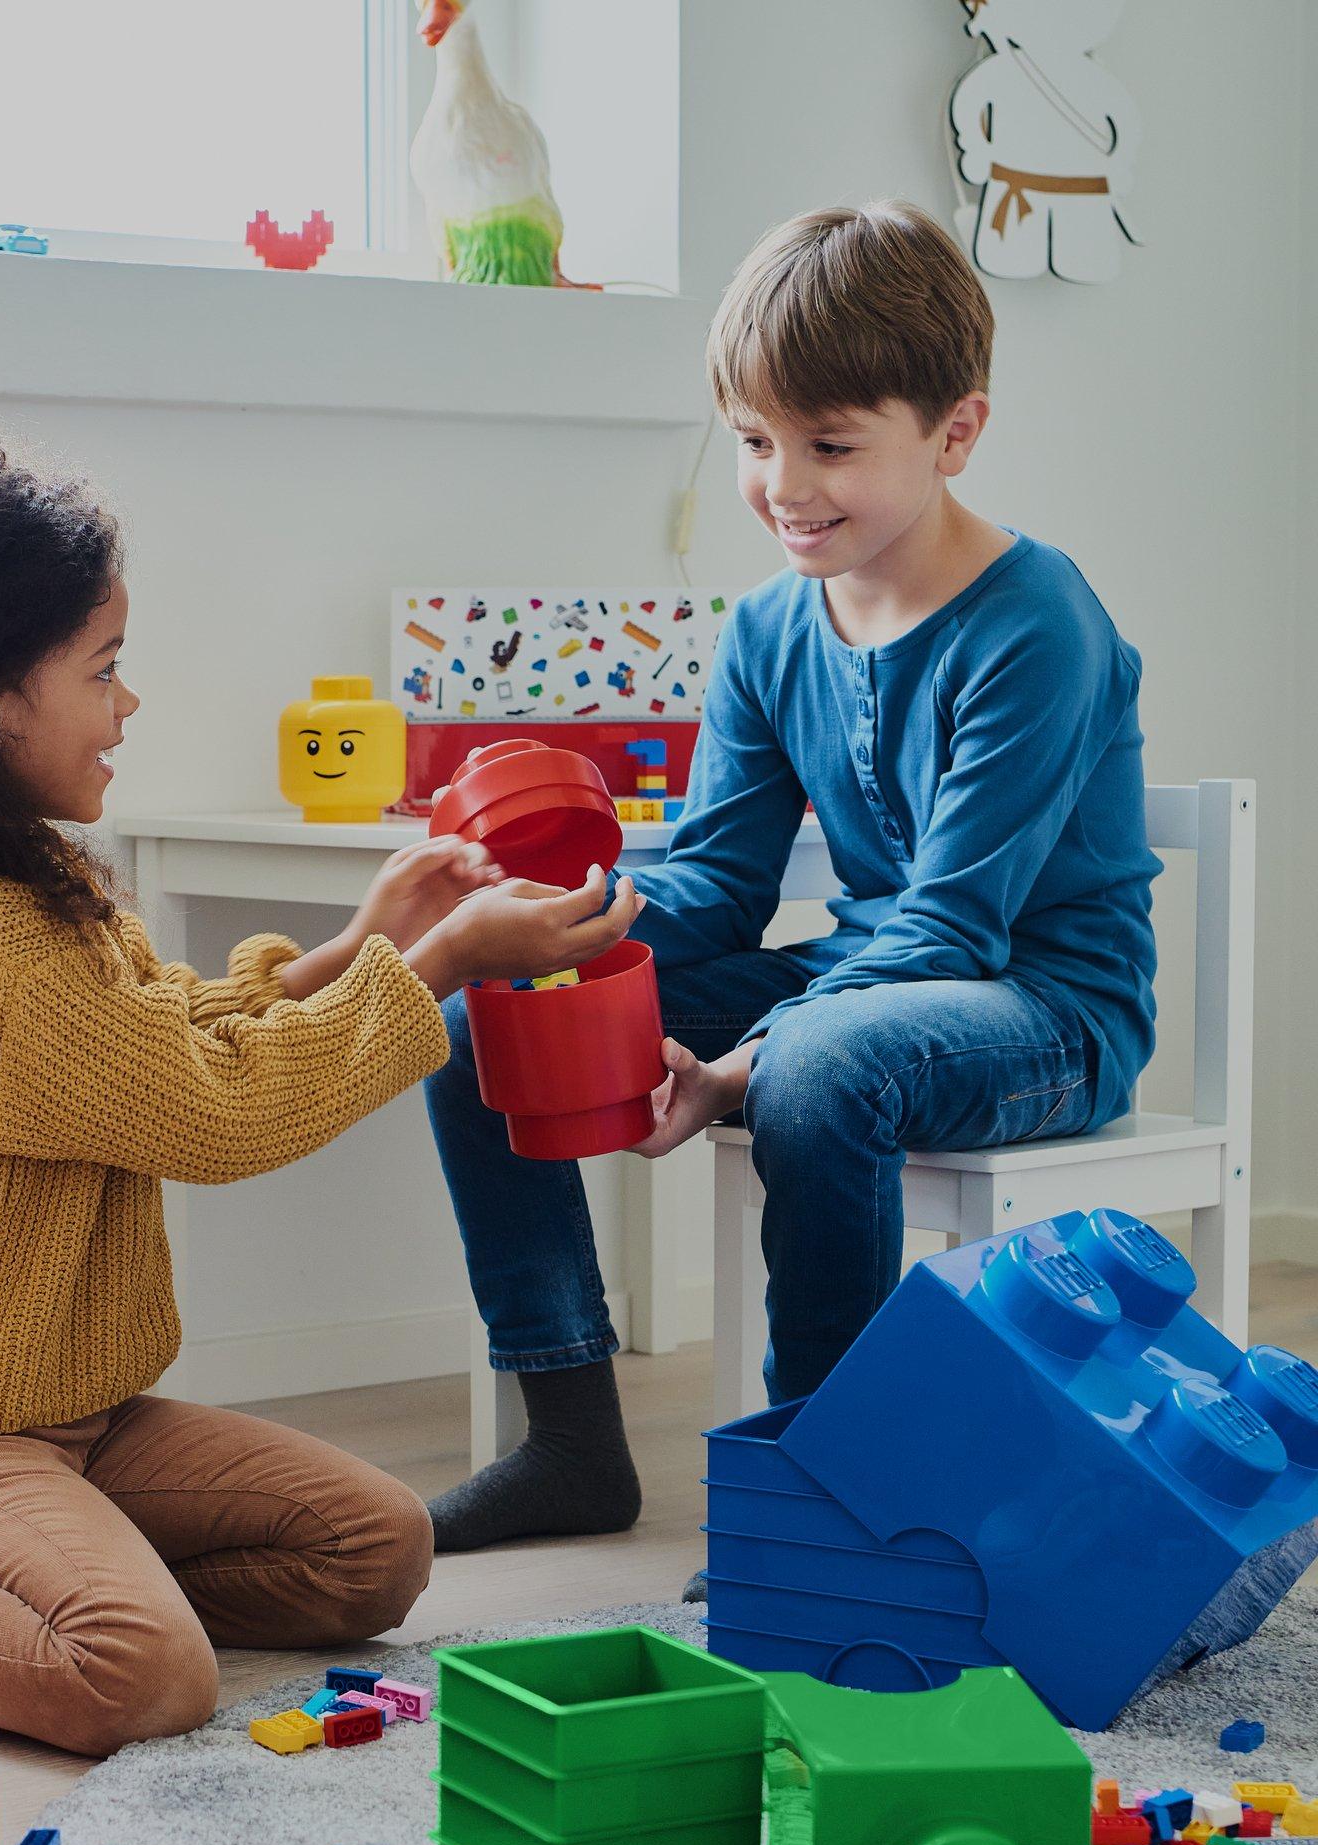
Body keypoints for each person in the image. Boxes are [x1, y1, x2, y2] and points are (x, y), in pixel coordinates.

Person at [0, 409, 640, 1753]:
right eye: (104, 668)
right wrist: (432, 969)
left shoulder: (27, 880)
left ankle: (55, 1570)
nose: (127, 703)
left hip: (88, 1420)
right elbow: (212, 1110)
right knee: (143, 1681)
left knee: (375, 1551)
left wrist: (371, 940)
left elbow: (171, 1033)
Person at [425, 199, 1158, 1556]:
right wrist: (557, 923)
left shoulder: (1038, 619)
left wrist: (742, 1061)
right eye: (758, 443)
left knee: (821, 1071)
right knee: (479, 1024)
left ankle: (829, 1493)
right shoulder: (767, 624)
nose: (784, 486)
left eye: (830, 446)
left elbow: (955, 921)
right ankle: (573, 1444)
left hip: (1047, 1008)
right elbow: (718, 878)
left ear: (955, 434)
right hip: (867, 978)